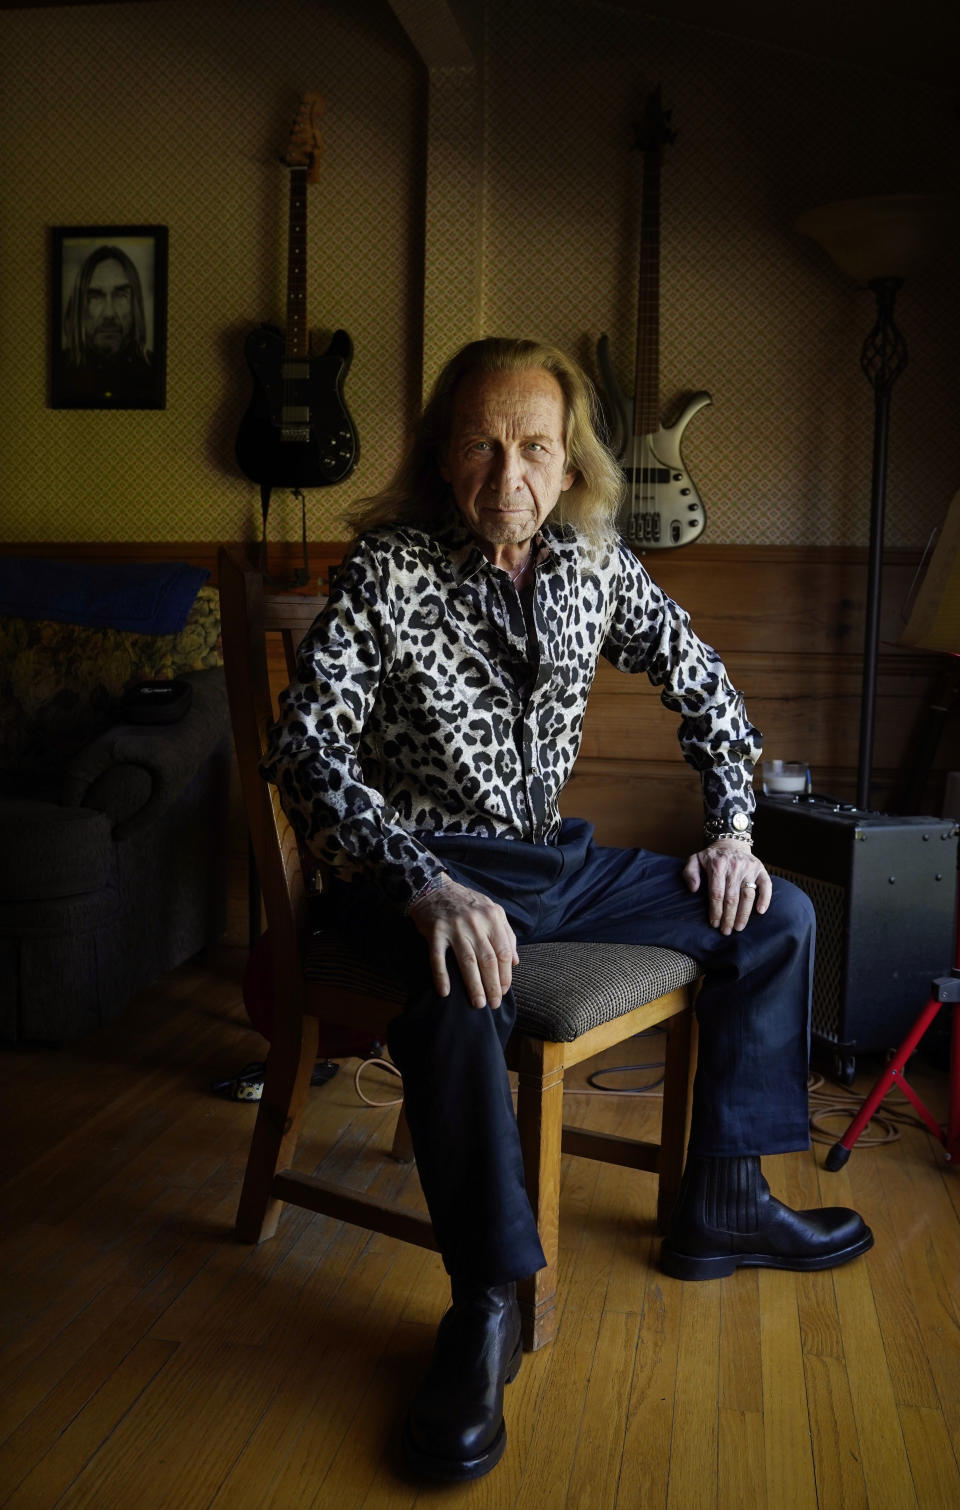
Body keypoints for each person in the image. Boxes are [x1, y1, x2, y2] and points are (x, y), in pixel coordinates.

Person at [261, 336, 873, 1483]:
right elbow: (306, 748)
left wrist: (732, 832)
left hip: (547, 867)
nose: (510, 479)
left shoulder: (595, 559)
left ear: (571, 461)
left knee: (777, 914)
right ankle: (484, 1303)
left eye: (535, 448)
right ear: (446, 457)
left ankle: (727, 1202)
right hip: (421, 875)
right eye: (484, 448)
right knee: (457, 988)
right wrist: (420, 882)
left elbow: (708, 689)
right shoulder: (387, 568)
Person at [55, 244, 154, 407]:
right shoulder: (60, 370)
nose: (109, 313)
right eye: (95, 296)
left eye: (121, 295)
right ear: (79, 306)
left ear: (135, 305)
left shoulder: (153, 371)